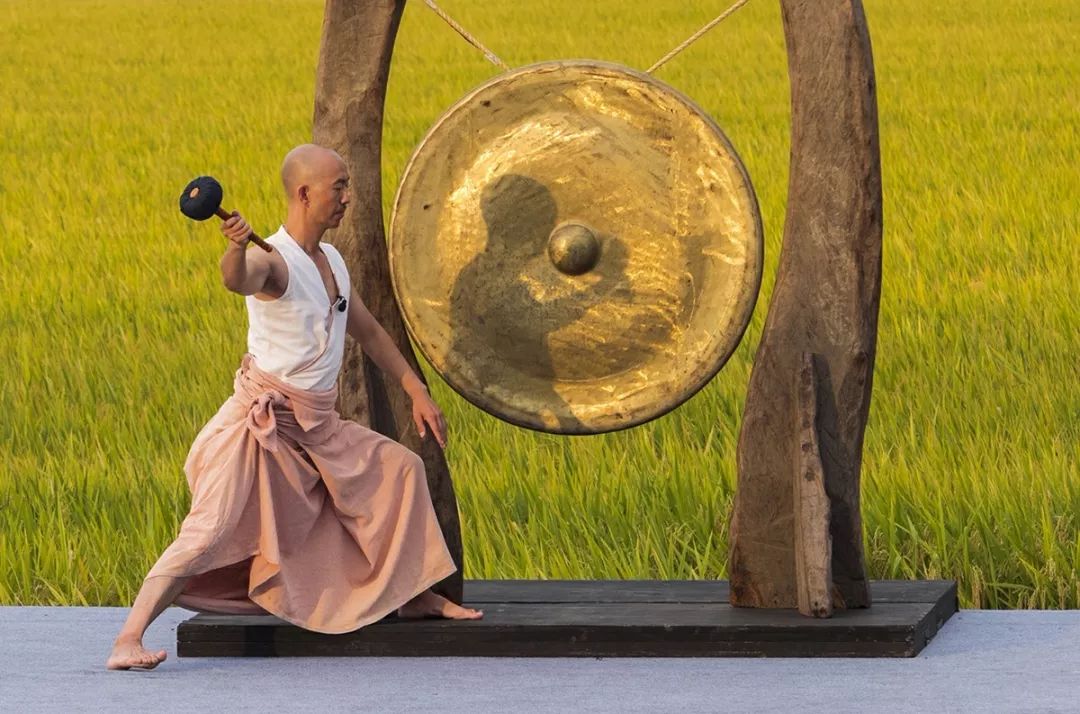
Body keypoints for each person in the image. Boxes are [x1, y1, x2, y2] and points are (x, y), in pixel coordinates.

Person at [106, 144, 482, 671]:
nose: (348, 197)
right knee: (208, 531)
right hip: (263, 425)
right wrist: (236, 249)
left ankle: (412, 595)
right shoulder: (273, 261)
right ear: (305, 193)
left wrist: (415, 389)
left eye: (347, 186)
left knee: (400, 469)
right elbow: (239, 278)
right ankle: (128, 638)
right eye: (340, 187)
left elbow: (368, 331)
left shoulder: (331, 261)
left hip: (318, 426)